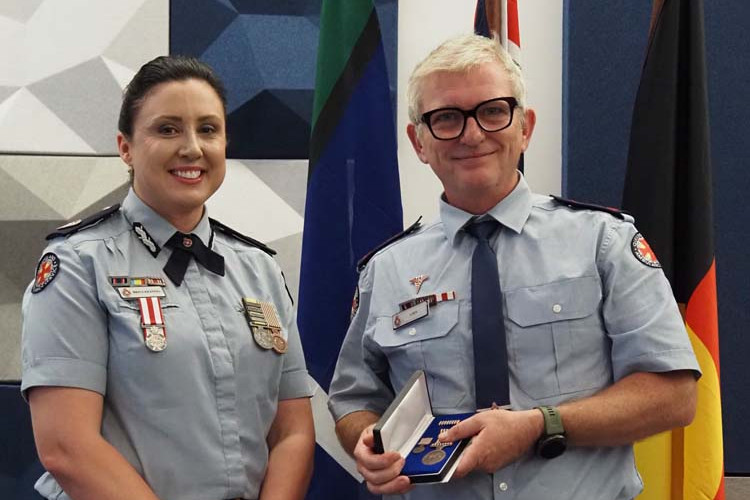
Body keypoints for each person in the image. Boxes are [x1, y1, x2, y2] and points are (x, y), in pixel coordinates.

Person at [327, 34, 700, 499]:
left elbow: (674, 395)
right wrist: (366, 441)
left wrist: (538, 426)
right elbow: (354, 400)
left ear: (525, 127)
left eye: (493, 111)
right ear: (418, 142)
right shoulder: (385, 270)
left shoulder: (603, 242)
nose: (472, 133)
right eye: (445, 118)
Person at [21, 56, 314, 500]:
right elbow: (66, 448)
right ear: (126, 147)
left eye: (208, 129)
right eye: (167, 129)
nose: (192, 147)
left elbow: (293, 432)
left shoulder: (259, 268)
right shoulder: (80, 264)